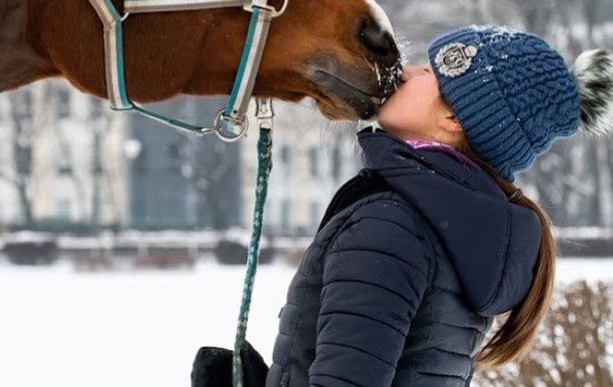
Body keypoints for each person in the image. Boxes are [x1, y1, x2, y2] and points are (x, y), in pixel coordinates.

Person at [192, 25, 613, 386]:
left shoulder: (392, 226)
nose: (407, 72)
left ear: (454, 119)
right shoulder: (450, 226)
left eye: (428, 71)